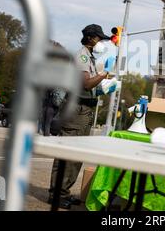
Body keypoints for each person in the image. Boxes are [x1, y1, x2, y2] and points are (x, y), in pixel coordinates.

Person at [48, 24, 113, 209]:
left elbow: (90, 87)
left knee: (76, 156)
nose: (101, 42)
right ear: (91, 38)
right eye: (100, 38)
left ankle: (64, 192)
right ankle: (56, 194)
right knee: (67, 155)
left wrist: (105, 86)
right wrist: (104, 74)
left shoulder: (90, 58)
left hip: (85, 110)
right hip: (76, 110)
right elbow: (85, 84)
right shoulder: (82, 56)